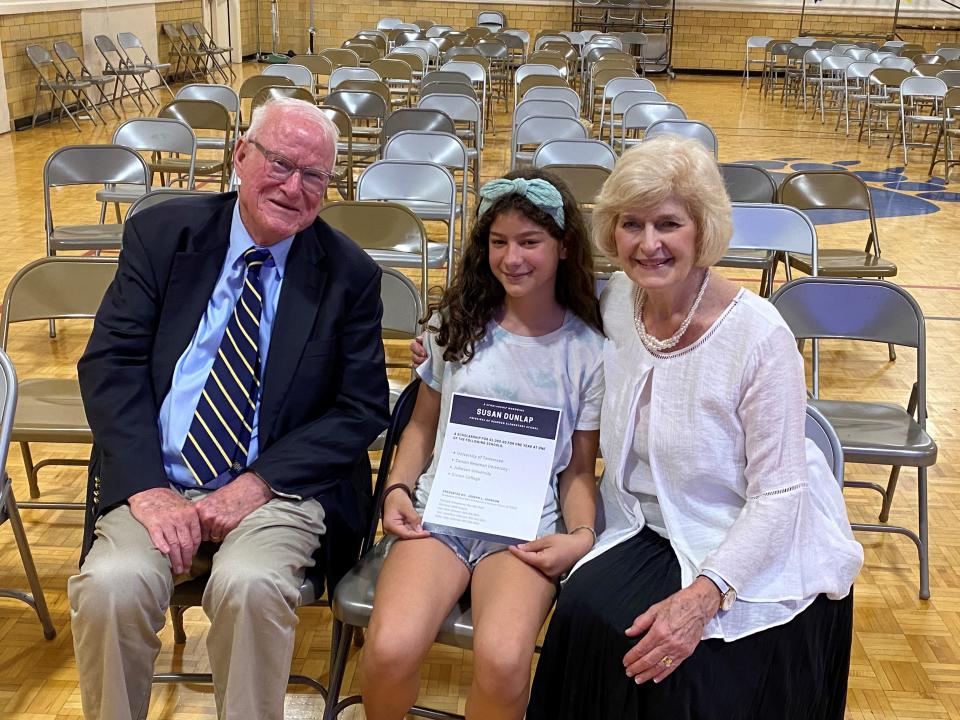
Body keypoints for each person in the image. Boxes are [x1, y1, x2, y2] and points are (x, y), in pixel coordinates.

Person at [68, 97, 390, 720]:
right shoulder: (164, 235)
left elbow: (360, 408)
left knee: (250, 587)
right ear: (241, 156)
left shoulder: (349, 275)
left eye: (315, 176)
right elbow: (110, 365)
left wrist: (256, 485)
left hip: (276, 492)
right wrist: (148, 490)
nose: (294, 187)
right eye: (279, 163)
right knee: (110, 587)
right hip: (161, 479)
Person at [523, 135, 864, 719]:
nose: (648, 244)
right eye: (631, 223)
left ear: (702, 230)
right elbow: (531, 325)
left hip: (749, 533)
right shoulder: (617, 302)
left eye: (669, 224)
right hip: (641, 521)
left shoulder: (759, 336)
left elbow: (780, 494)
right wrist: (448, 336)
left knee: (689, 664)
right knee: (588, 610)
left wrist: (705, 596)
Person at [360, 170, 605, 720]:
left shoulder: (587, 351)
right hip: (441, 514)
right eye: (499, 242)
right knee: (389, 647)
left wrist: (582, 536)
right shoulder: (458, 325)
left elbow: (579, 469)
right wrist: (397, 488)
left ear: (564, 247)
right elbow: (421, 427)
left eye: (530, 242)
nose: (512, 257)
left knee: (503, 660)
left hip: (526, 526)